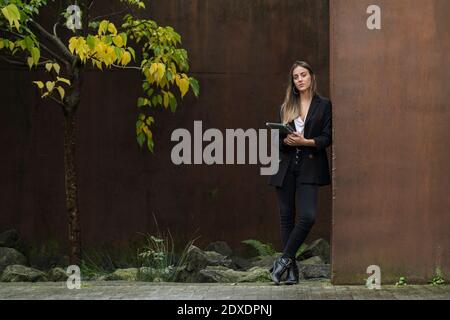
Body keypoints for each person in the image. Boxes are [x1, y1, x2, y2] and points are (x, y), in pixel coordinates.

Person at [268, 61, 332, 285]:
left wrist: (306, 141)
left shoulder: (324, 105)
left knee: (308, 216)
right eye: (296, 77)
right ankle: (291, 273)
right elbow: (279, 142)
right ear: (293, 82)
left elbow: (327, 137)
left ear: (312, 77)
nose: (300, 79)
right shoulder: (286, 106)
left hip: (310, 166)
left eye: (303, 75)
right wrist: (286, 139)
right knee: (286, 218)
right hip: (286, 168)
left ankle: (282, 261)